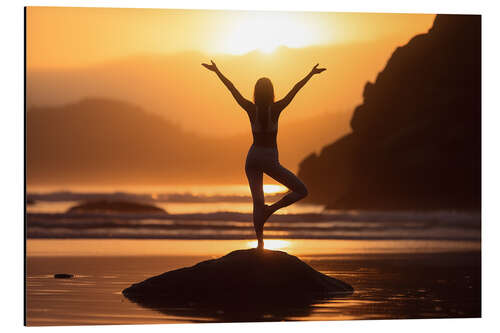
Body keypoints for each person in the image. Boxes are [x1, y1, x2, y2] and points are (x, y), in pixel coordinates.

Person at [202, 60, 326, 250]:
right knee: (302, 190)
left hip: (252, 158)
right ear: (271, 92)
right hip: (268, 158)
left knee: (257, 203)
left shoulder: (251, 109)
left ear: (256, 93)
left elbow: (232, 88)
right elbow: (295, 89)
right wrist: (311, 73)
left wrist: (217, 71)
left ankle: (260, 242)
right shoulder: (275, 109)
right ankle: (271, 211)